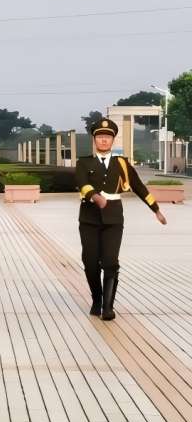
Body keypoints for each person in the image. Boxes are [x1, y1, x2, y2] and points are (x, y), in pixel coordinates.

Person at [76, 118, 167, 320]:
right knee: (90, 263)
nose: (104, 140)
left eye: (107, 137)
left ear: (113, 140)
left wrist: (156, 209)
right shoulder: (84, 163)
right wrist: (95, 196)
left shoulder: (122, 164)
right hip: (89, 219)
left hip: (113, 219)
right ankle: (97, 299)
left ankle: (108, 307)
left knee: (110, 261)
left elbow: (139, 187)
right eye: (100, 137)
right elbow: (82, 183)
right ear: (94, 140)